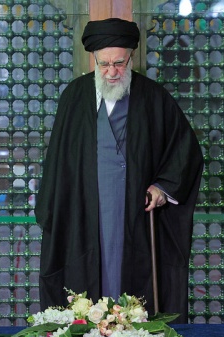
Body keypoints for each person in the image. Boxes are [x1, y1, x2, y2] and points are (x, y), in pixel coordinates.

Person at [36, 18, 204, 320]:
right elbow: (59, 163)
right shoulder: (74, 96)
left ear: (131, 57)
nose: (112, 72)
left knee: (135, 290)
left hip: (135, 215)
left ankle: (133, 330)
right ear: (94, 59)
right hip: (85, 213)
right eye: (104, 64)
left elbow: (185, 151)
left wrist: (162, 187)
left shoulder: (153, 97)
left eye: (119, 63)